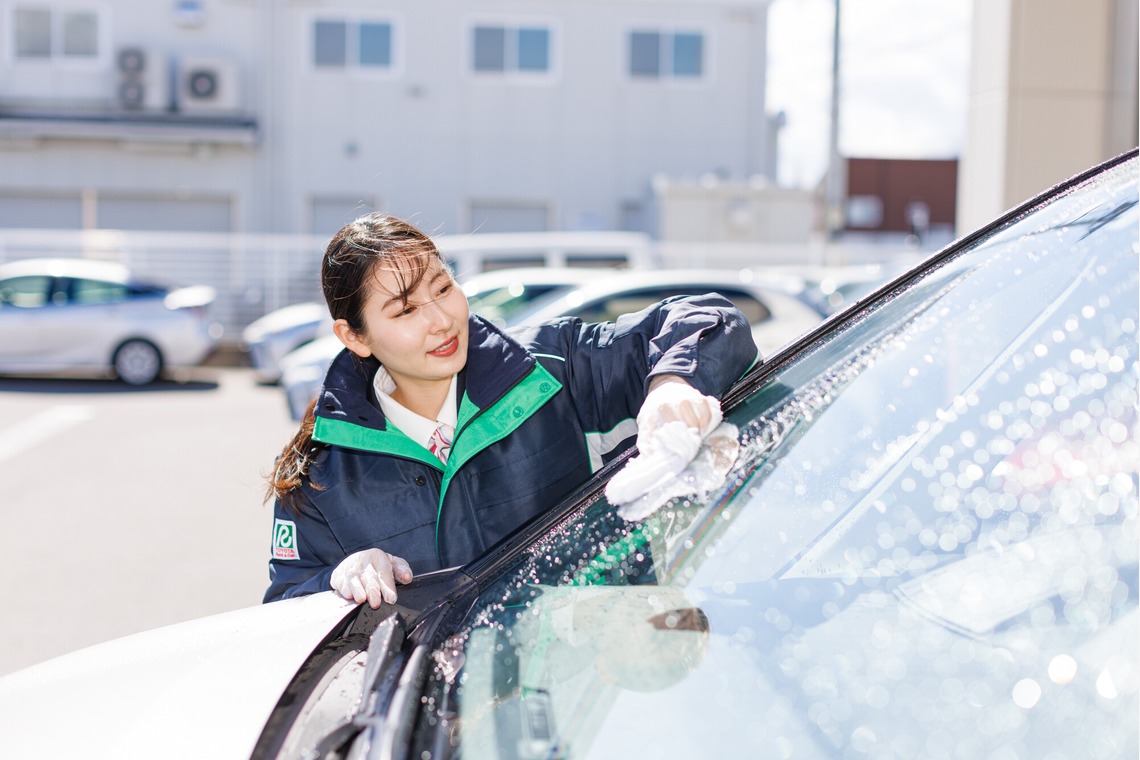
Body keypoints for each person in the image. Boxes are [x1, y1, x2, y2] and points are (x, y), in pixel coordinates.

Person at [263, 213, 758, 607]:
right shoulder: (319, 476)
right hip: (431, 727)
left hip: (595, 694)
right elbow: (285, 607)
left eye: (442, 287)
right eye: (406, 310)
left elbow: (709, 318)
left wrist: (674, 385)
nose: (441, 321)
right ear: (354, 336)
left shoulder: (549, 370)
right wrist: (336, 583)